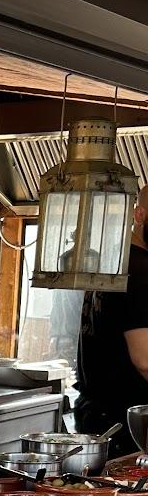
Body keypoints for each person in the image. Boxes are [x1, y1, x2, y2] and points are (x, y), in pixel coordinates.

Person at [74, 184, 148, 458]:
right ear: (138, 215)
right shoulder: (139, 273)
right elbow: (145, 360)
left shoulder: (115, 262)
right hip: (127, 424)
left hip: (100, 416)